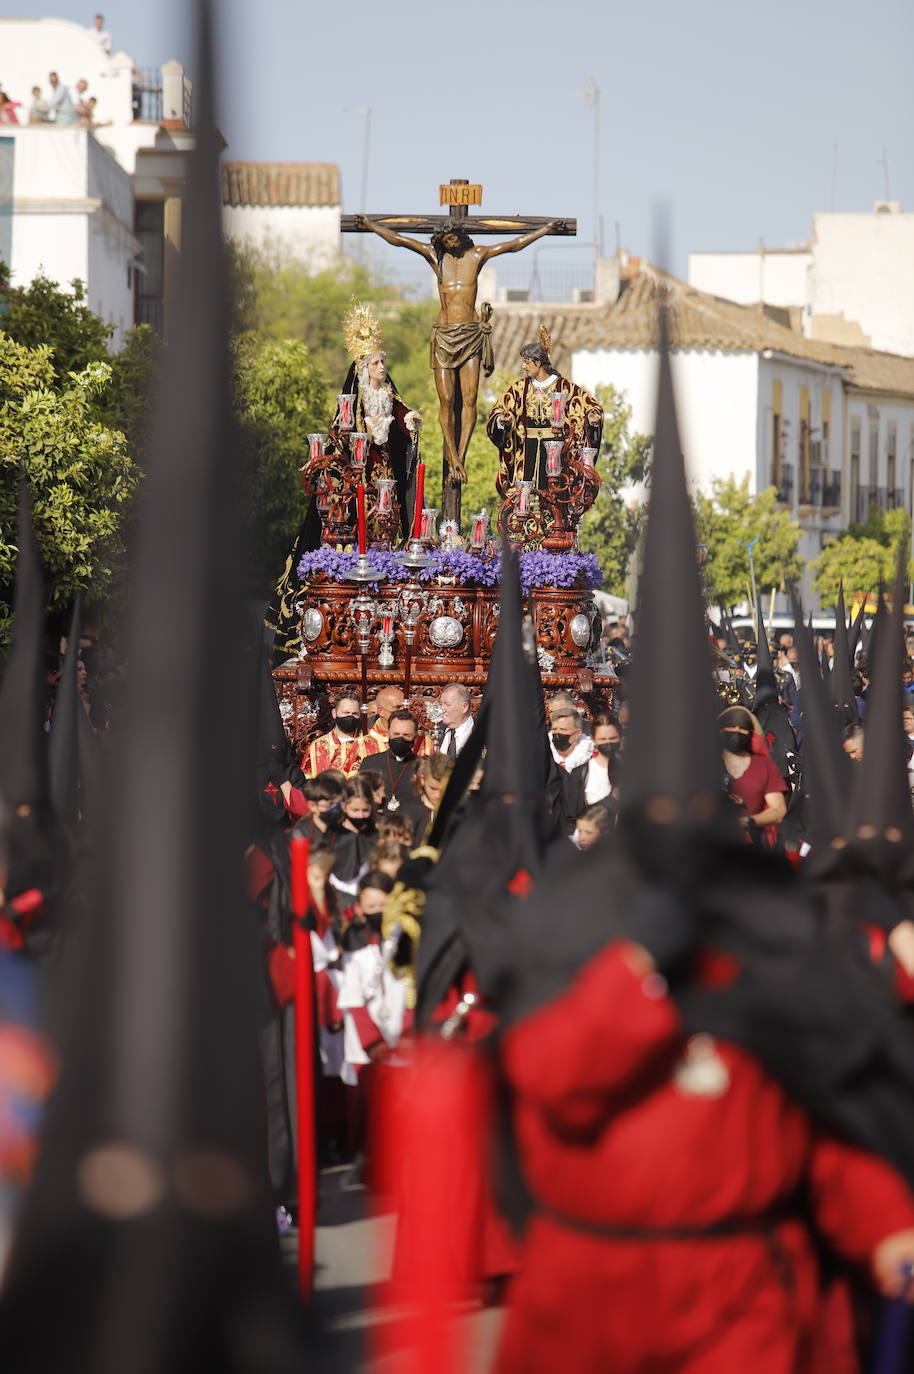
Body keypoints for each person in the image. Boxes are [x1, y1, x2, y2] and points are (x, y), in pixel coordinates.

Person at [355, 214, 561, 484]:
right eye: (444, 241)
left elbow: (514, 244)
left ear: (460, 236)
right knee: (447, 401)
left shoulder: (476, 255)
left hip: (470, 336)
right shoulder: (436, 258)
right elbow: (400, 240)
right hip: (443, 336)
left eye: (452, 239)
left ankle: (460, 458)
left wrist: (544, 230)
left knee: (470, 399)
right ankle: (452, 458)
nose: (450, 244)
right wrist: (370, 226)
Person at [486, 330, 603, 495]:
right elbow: (499, 411)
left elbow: (590, 406)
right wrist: (502, 421)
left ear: (538, 362)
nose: (523, 366)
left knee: (553, 494)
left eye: (527, 362)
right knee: (524, 496)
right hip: (526, 453)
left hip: (555, 453)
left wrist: (592, 418)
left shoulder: (565, 387)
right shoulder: (519, 389)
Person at [720, 704, 788, 846]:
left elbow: (778, 810)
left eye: (743, 728)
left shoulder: (763, 765)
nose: (737, 731)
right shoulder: (704, 761)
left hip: (753, 845)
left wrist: (748, 821)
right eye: (732, 727)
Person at [359, 708, 424, 824]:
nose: (400, 738)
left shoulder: (423, 766)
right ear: (388, 733)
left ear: (415, 736)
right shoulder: (370, 763)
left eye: (406, 735)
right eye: (396, 734)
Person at [561, 711, 621, 826]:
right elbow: (572, 818)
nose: (608, 743)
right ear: (593, 739)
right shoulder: (580, 773)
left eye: (612, 738)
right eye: (603, 739)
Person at [301, 692, 379, 777]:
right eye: (346, 713)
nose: (350, 717)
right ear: (334, 713)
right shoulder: (318, 747)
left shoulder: (370, 744)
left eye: (354, 713)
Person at [411, 754, 451, 836]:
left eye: (443, 790)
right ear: (422, 780)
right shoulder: (409, 814)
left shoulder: (460, 814)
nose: (438, 795)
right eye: (433, 788)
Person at [549, 707, 595, 773]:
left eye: (563, 729)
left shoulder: (592, 758)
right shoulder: (543, 755)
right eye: (554, 729)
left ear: (578, 733)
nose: (557, 733)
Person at [438, 683, 474, 758]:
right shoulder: (435, 731)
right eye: (441, 704)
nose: (442, 709)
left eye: (447, 704)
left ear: (464, 707)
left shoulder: (484, 733)